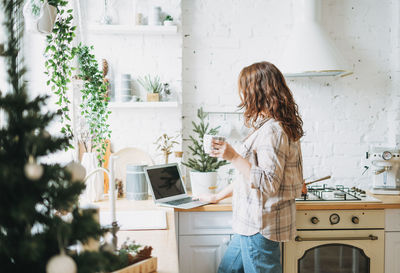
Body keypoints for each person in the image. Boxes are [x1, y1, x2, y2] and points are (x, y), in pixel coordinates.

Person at [198, 61, 304, 273]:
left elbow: (267, 183)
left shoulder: (272, 131)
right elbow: (249, 177)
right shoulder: (272, 126)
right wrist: (218, 196)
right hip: (250, 223)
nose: (243, 97)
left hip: (259, 225)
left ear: (257, 92)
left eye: (244, 90)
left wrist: (233, 156)